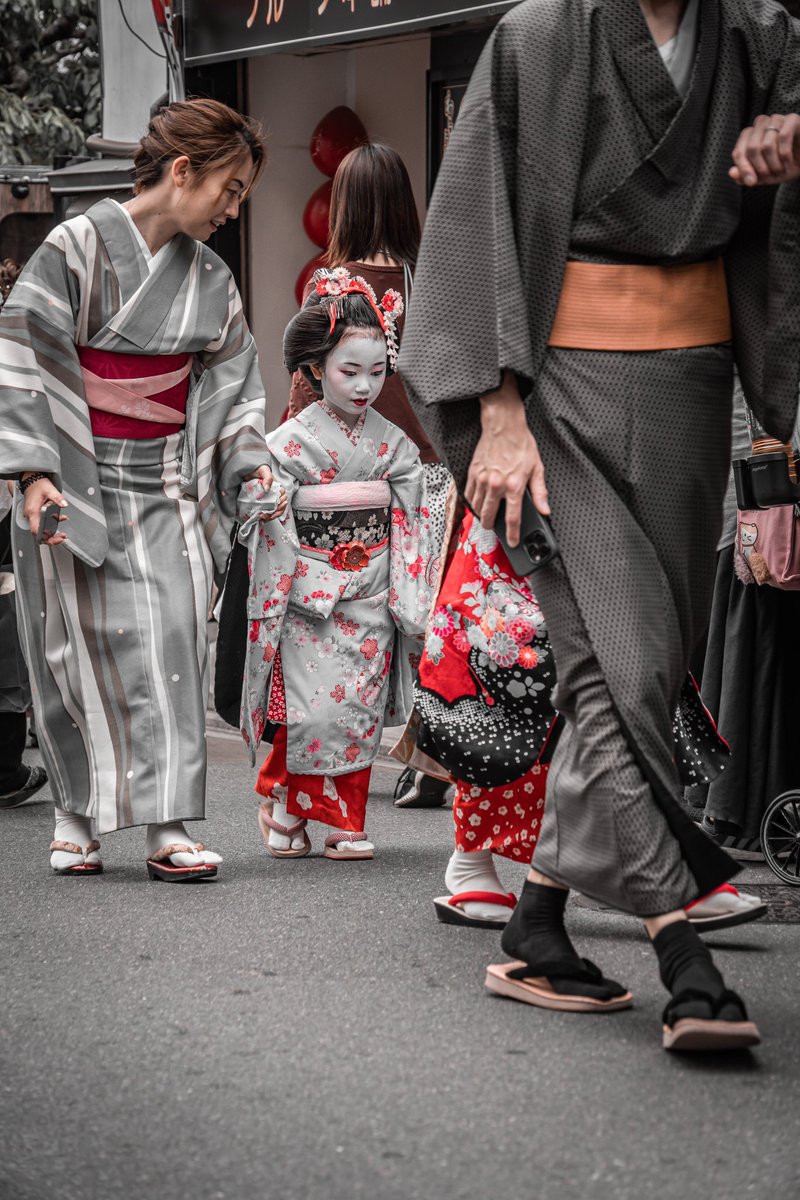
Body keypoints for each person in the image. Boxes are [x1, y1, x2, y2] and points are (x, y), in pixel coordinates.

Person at [400, 0, 800, 1051]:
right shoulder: (538, 36)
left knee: (645, 663)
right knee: (612, 666)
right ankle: (681, 953)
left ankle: (536, 927)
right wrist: (494, 409)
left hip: (691, 387)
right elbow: (476, 217)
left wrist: (794, 139)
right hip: (558, 393)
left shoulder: (757, 36)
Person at [0, 98, 283, 881]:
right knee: (71, 648)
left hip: (164, 480)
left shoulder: (211, 280)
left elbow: (231, 387)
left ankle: (167, 824)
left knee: (174, 639)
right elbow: (24, 357)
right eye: (228, 190)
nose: (233, 210)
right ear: (183, 170)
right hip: (71, 477)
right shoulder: (74, 247)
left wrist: (248, 460)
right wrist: (33, 471)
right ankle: (75, 816)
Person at [236, 268, 436, 860]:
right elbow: (264, 505)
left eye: (376, 373)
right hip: (310, 590)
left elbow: (410, 515)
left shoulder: (393, 443)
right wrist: (267, 497)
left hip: (370, 590)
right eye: (349, 371)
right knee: (307, 708)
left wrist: (404, 588)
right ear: (316, 367)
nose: (363, 387)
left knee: (357, 707)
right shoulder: (289, 443)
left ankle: (346, 820)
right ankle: (283, 808)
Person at [290, 143, 455, 809]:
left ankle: (338, 754)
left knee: (349, 620)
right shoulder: (429, 279)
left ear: (346, 206)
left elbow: (303, 390)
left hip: (347, 483)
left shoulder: (329, 288)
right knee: (426, 617)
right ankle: (433, 752)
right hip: (427, 472)